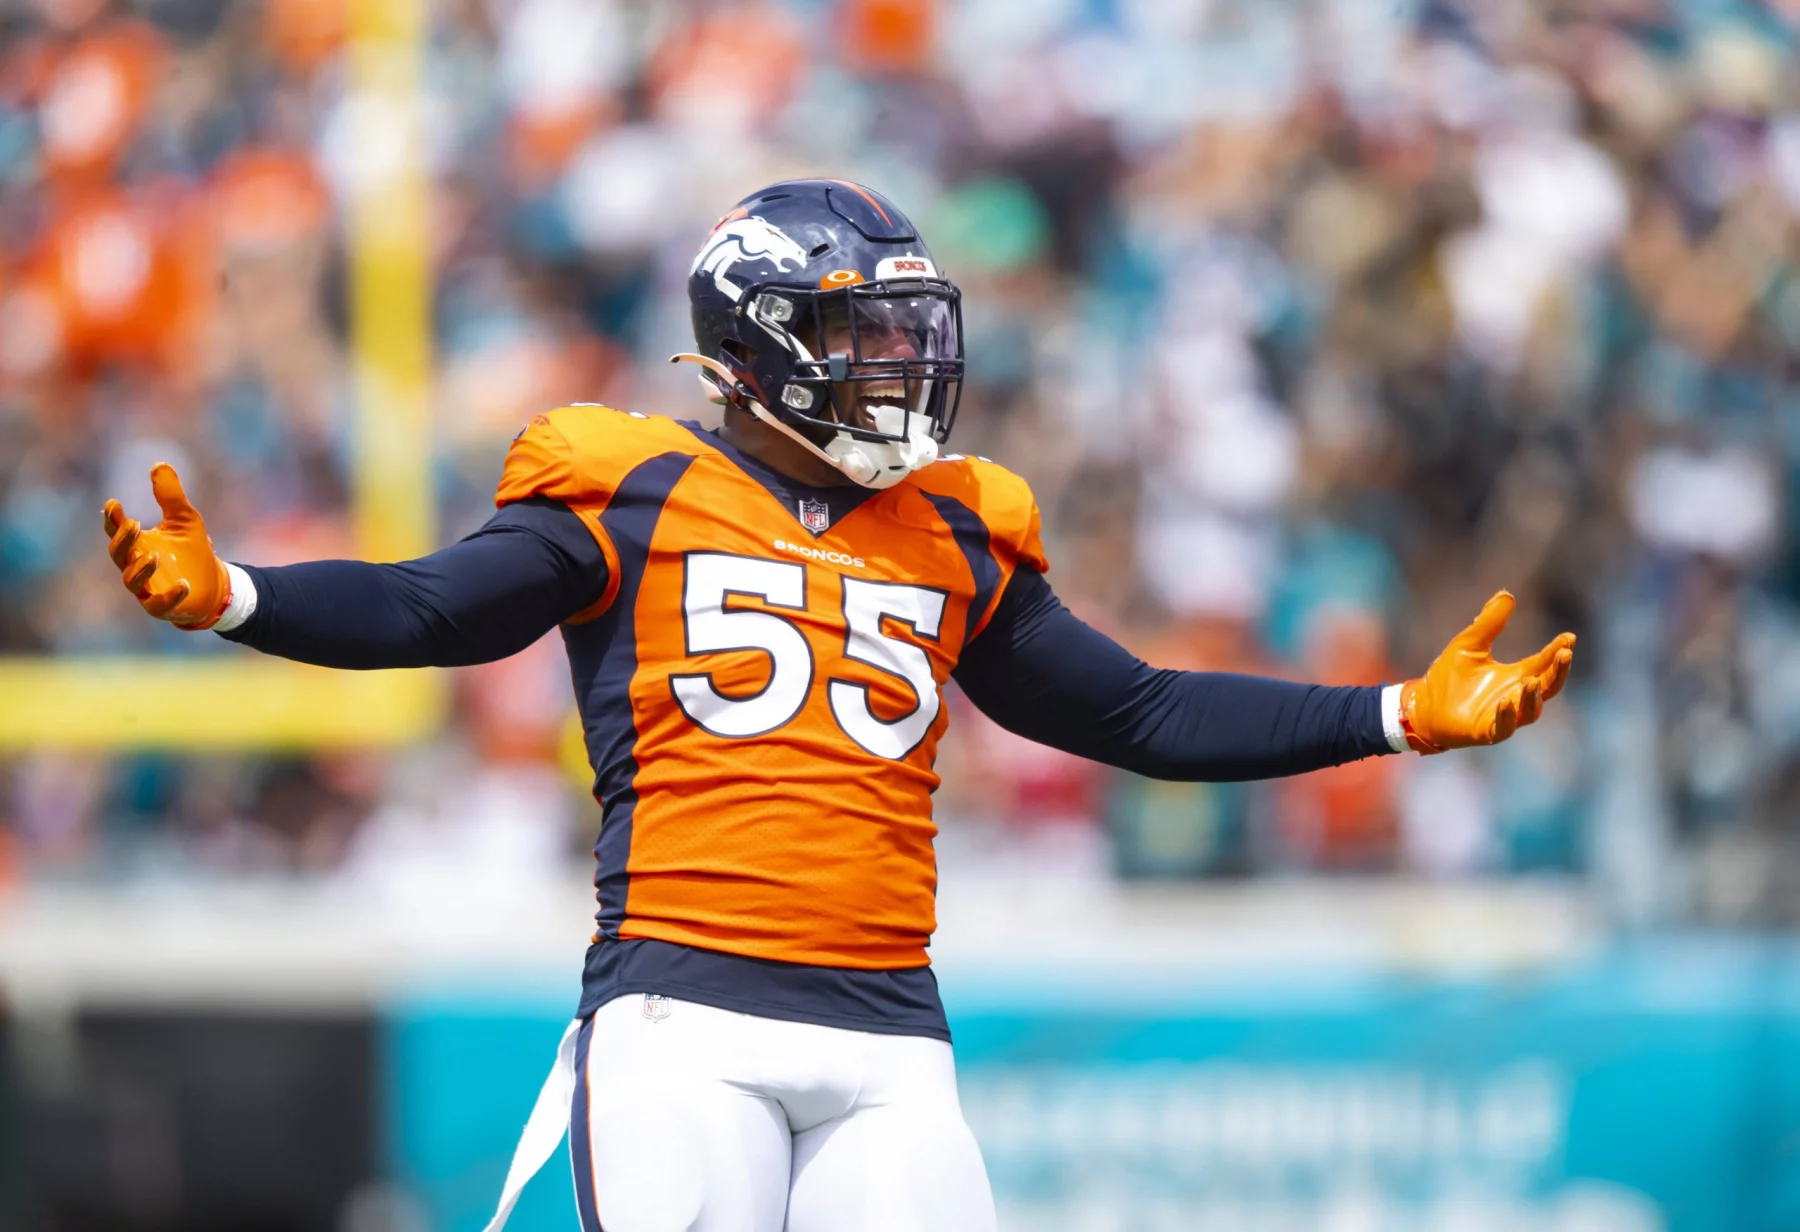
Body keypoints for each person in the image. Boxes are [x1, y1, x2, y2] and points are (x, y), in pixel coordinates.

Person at [100, 179, 1575, 1232]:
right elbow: (429, 608)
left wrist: (1396, 715)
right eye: (864, 333)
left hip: (888, 1037)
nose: (903, 364)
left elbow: (1140, 714)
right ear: (758, 344)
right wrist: (239, 595)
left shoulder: (955, 526)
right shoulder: (631, 484)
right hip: (685, 1014)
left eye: (907, 331)